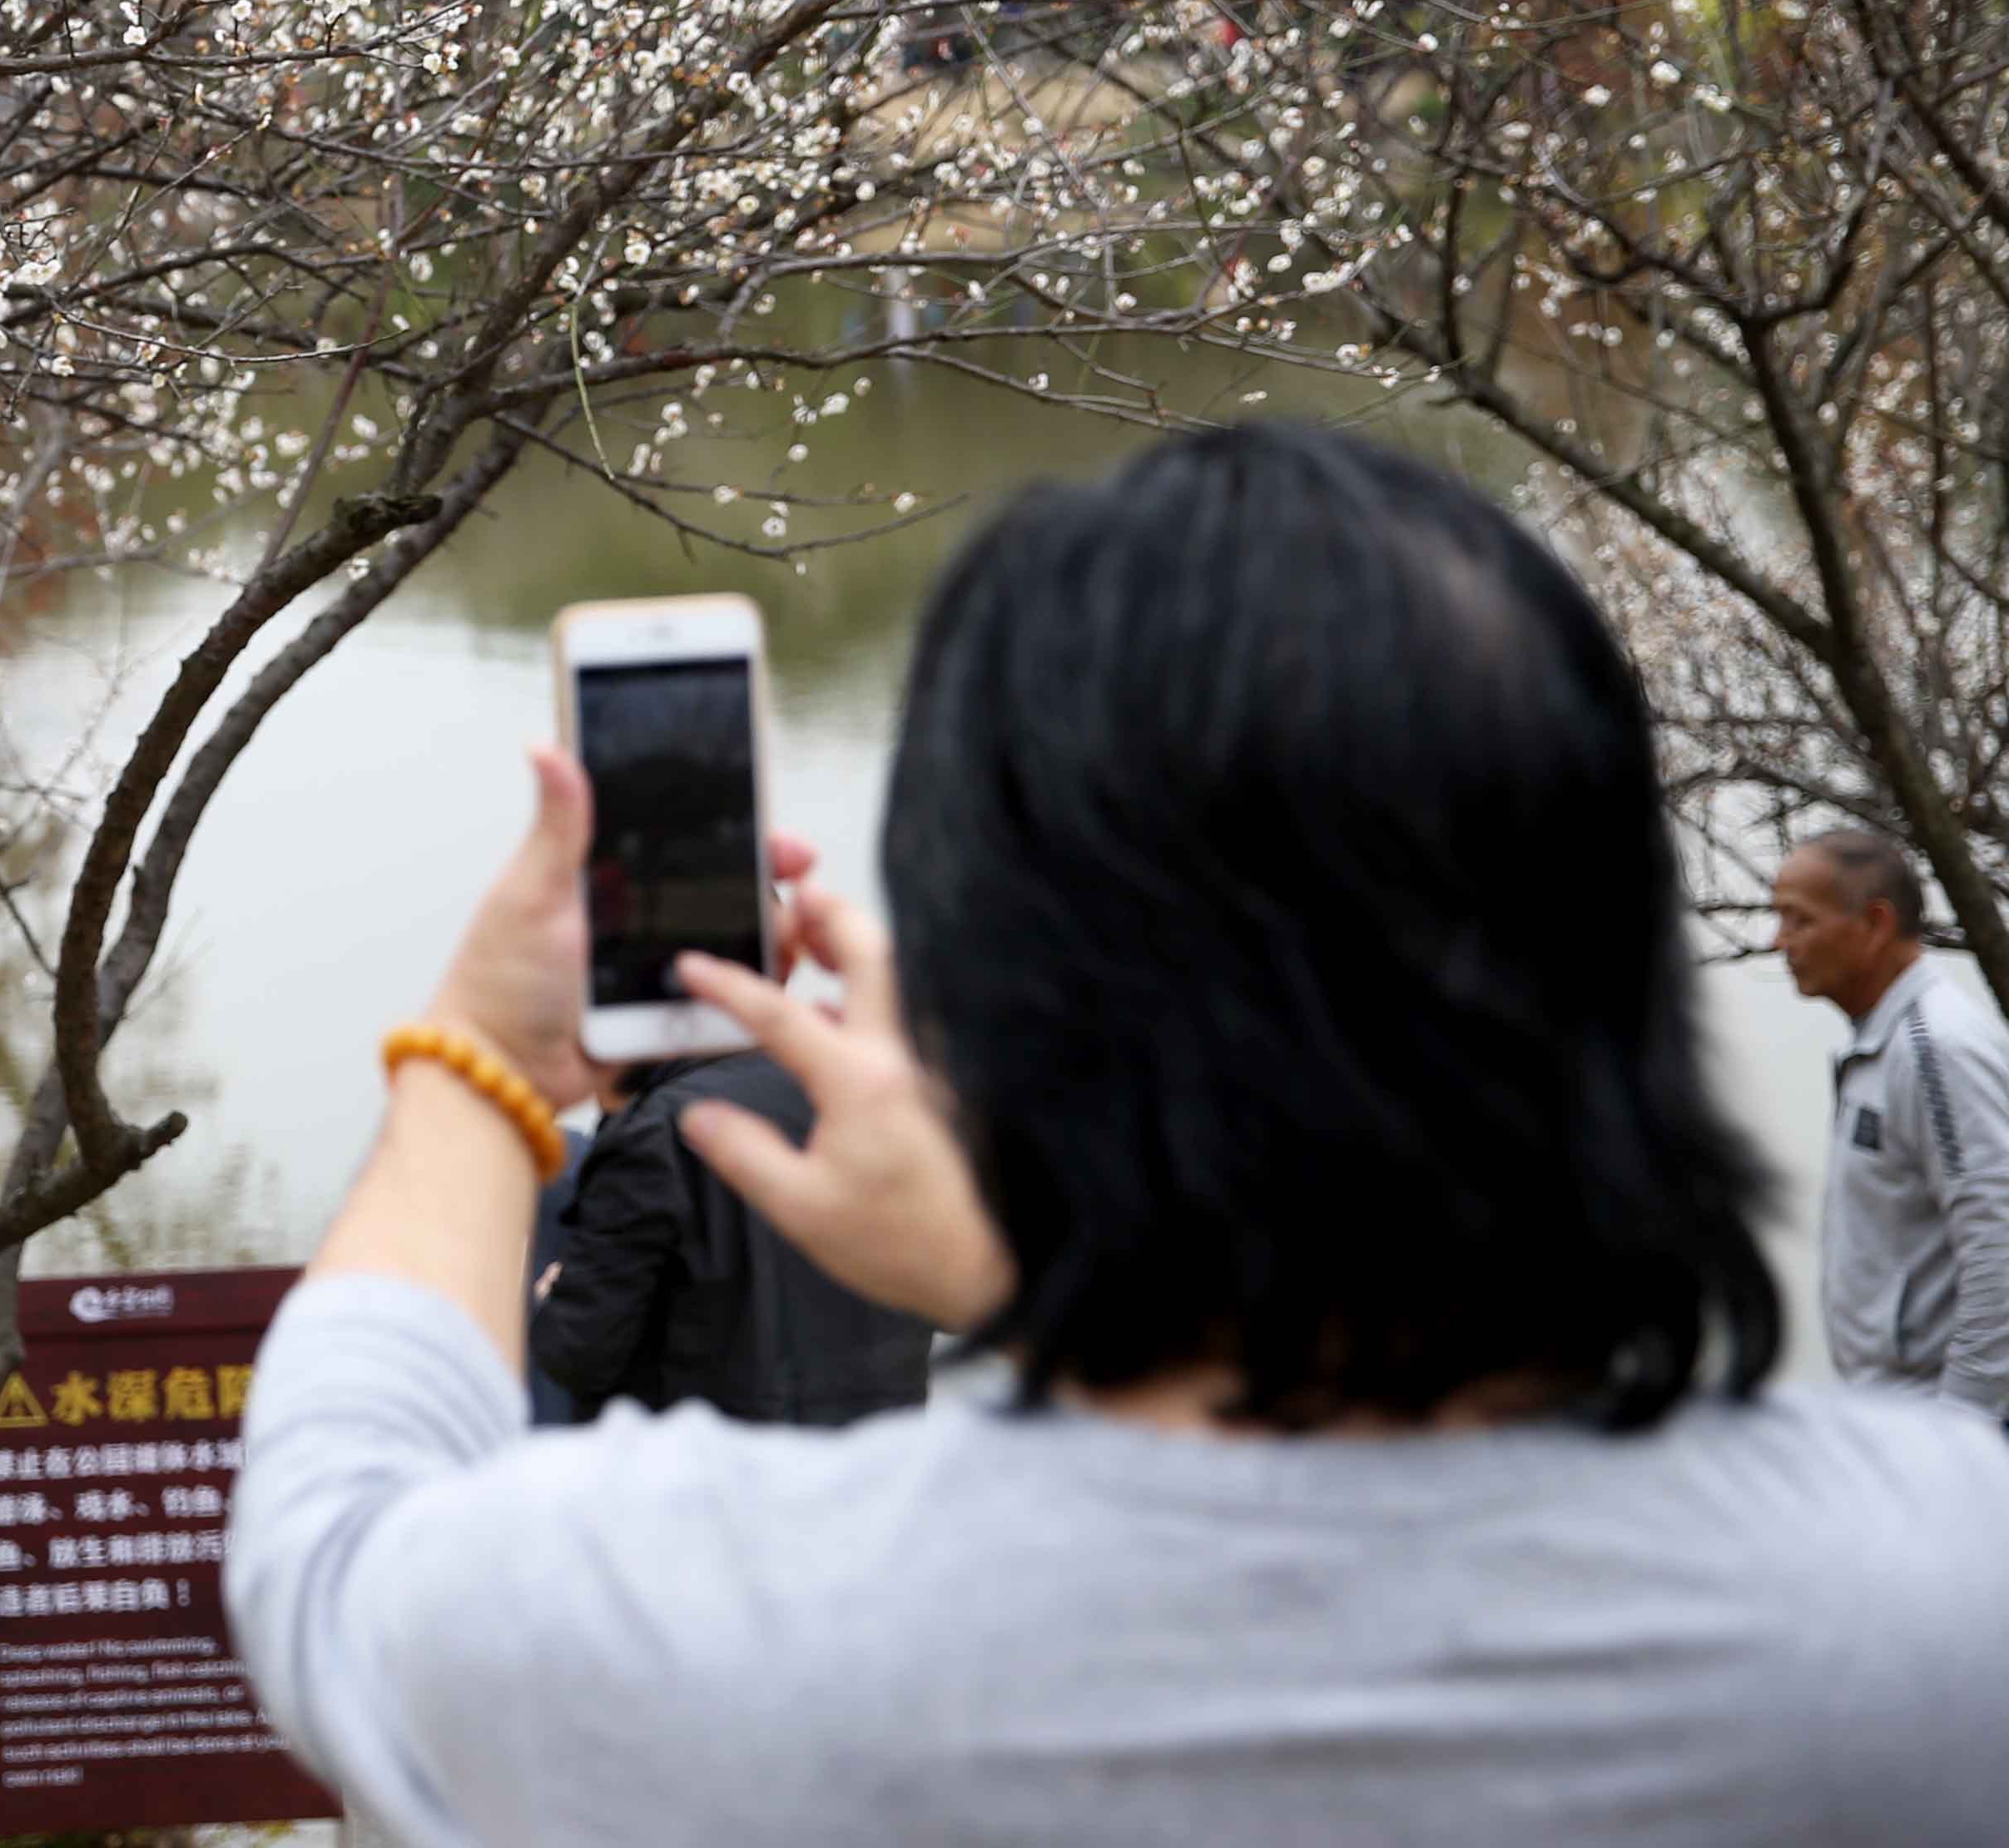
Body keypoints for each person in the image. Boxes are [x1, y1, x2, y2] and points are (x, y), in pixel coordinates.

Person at [226, 427, 2009, 1846]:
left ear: (994, 1004)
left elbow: (329, 1536)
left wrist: (484, 1051)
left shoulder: (722, 1639)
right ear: (1624, 975)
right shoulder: (1927, 1606)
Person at [525, 1048, 928, 1426]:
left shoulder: (653, 1130)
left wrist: (550, 1299)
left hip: (716, 1459)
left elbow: (574, 1351)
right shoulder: (871, 1103)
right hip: (882, 1451)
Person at [1768, 824, 2009, 1419]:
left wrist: (1959, 1426)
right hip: (1900, 1421)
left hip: (1945, 1427)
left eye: (1800, 920)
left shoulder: (1938, 1048)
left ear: (1875, 923)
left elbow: (2000, 1243)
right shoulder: (1887, 1042)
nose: (1780, 942)